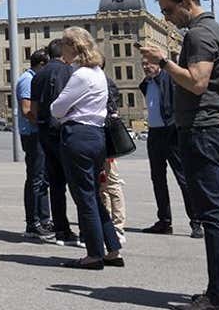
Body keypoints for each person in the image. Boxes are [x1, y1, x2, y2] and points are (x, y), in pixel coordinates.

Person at [140, 0, 219, 310]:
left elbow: (198, 82)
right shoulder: (214, 30)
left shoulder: (199, 34)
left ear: (186, 2)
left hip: (202, 130)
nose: (168, 19)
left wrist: (164, 61)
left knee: (213, 215)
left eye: (169, 10)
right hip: (211, 128)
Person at [50, 27, 123, 270]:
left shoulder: (81, 75)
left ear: (73, 47)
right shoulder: (98, 73)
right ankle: (112, 248)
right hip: (96, 135)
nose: (62, 51)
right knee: (93, 193)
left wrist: (65, 111)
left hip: (77, 136)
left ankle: (94, 254)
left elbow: (57, 108)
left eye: (64, 46)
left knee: (84, 197)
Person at [139, 58, 201, 238]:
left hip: (171, 132)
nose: (146, 66)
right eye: (143, 64)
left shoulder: (168, 78)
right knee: (157, 179)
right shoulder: (146, 83)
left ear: (159, 63)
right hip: (154, 133)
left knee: (183, 178)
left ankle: (196, 222)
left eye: (149, 63)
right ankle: (164, 221)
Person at [31, 39, 82, 247]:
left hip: (44, 132)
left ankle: (61, 229)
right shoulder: (67, 72)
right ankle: (86, 230)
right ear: (64, 52)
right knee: (77, 182)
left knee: (55, 184)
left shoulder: (38, 75)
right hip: (63, 131)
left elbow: (33, 110)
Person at [18, 50, 52, 238]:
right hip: (32, 134)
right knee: (35, 178)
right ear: (40, 64)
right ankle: (33, 221)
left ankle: (44, 219)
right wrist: (42, 121)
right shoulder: (27, 80)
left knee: (43, 178)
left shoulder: (35, 79)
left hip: (38, 133)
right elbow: (26, 109)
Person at [100, 68, 127, 245]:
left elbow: (112, 105)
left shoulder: (104, 81)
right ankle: (108, 221)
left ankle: (117, 225)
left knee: (112, 183)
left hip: (105, 136)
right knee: (102, 185)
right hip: (99, 136)